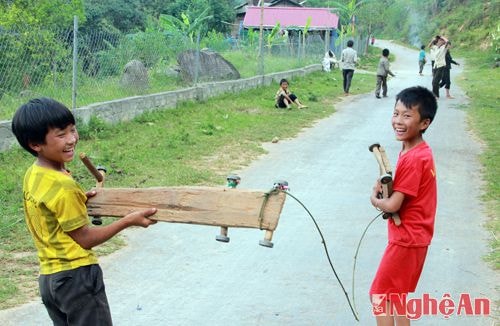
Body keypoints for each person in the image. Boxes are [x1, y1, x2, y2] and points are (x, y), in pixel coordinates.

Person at [11, 97, 158, 325]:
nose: (72, 139)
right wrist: (128, 220)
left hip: (51, 280)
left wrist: (80, 200)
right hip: (76, 278)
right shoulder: (63, 185)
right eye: (61, 135)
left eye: (73, 130)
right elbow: (85, 239)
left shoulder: (34, 174)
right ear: (35, 144)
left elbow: (51, 211)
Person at [369, 86, 438, 326]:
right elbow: (404, 191)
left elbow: (393, 205)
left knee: (379, 295)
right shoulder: (416, 150)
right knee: (396, 296)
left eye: (407, 116)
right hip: (415, 237)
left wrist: (375, 199)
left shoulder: (414, 158)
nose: (398, 121)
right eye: (395, 113)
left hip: (407, 239)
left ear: (424, 123)